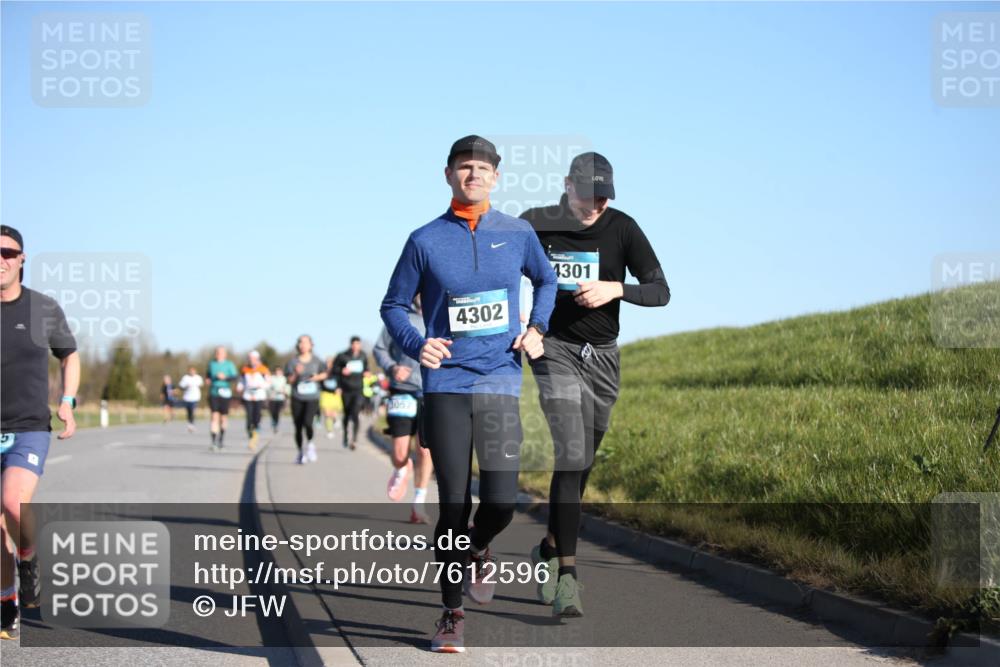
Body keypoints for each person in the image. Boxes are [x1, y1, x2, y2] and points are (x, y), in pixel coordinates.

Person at [380, 135, 556, 653]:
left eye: (482, 168)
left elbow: (546, 282)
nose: (473, 174)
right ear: (448, 175)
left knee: (500, 501)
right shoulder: (424, 239)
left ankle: (479, 547)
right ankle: (451, 613)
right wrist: (418, 344)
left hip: (499, 378)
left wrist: (537, 328)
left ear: (496, 177)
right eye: (464, 167)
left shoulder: (518, 233)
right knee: (453, 503)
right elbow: (392, 305)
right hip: (447, 384)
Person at [521, 152, 670, 617]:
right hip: (554, 350)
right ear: (568, 185)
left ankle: (549, 545)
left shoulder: (623, 228)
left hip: (603, 357)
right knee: (571, 452)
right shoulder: (536, 223)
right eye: (590, 195)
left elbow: (661, 290)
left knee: (581, 464)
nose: (598, 204)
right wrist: (525, 322)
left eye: (605, 196)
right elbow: (499, 270)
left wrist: (616, 289)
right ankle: (568, 577)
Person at [0, 225, 80, 641]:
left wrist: (67, 401)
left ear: (22, 259)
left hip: (28, 426)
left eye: (7, 252)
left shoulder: (42, 309)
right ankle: (6, 600)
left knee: (13, 503)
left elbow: (69, 356)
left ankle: (28, 558)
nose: (1, 259)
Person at [373, 295, 432, 524]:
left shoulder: (443, 316)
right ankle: (402, 467)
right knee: (399, 454)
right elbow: (379, 349)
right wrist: (392, 367)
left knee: (425, 450)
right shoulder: (401, 318)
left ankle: (419, 504)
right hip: (402, 390)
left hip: (431, 390)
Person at [285, 335, 328, 464]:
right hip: (297, 397)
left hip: (312, 397)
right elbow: (289, 380)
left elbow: (325, 373)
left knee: (308, 423)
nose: (303, 345)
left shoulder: (317, 361)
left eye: (306, 342)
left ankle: (310, 444)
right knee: (298, 426)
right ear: (298, 345)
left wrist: (317, 377)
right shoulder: (292, 362)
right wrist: (296, 373)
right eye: (301, 343)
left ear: (311, 345)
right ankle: (300, 453)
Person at [332, 336, 368, 450]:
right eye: (354, 344)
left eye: (358, 344)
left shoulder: (363, 355)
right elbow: (334, 370)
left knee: (355, 413)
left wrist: (367, 372)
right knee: (347, 414)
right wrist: (341, 371)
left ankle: (354, 439)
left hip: (358, 389)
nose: (356, 346)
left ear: (360, 345)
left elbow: (366, 368)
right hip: (346, 389)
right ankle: (345, 436)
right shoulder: (342, 356)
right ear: (351, 344)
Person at [206, 346, 238, 452]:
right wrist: (208, 380)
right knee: (214, 416)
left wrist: (225, 377)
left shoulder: (229, 364)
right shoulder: (211, 364)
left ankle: (221, 440)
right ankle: (213, 442)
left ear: (225, 354)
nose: (218, 354)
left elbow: (235, 377)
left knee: (223, 418)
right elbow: (208, 375)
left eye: (220, 352)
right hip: (214, 392)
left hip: (225, 392)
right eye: (217, 352)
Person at [238, 350, 270, 451]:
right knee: (249, 418)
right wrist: (239, 387)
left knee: (256, 417)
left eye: (253, 359)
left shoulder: (263, 369)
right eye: (250, 358)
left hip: (259, 396)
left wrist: (261, 385)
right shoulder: (245, 369)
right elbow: (241, 381)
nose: (251, 360)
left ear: (257, 359)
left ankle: (255, 437)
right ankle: (250, 434)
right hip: (248, 395)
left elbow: (268, 383)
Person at [319, 357, 343, 440]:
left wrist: (340, 388)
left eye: (331, 362)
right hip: (325, 394)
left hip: (335, 395)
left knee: (333, 413)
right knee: (326, 413)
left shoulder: (338, 372)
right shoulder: (322, 372)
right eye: (328, 362)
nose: (329, 364)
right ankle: (329, 431)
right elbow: (319, 381)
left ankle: (335, 419)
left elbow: (342, 381)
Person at [178, 366, 204, 433]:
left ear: (195, 371)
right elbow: (181, 386)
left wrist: (198, 385)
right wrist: (186, 386)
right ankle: (190, 424)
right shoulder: (185, 378)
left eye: (193, 371)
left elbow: (201, 384)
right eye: (191, 371)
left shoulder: (198, 378)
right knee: (189, 412)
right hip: (187, 398)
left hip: (195, 397)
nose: (192, 372)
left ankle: (192, 424)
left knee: (192, 410)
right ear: (189, 371)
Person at [267, 366, 288, 433]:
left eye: (279, 371)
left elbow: (285, 387)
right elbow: (268, 387)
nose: (277, 372)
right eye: (276, 371)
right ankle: (273, 421)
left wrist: (284, 392)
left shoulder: (283, 378)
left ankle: (276, 424)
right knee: (272, 411)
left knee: (278, 412)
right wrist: (269, 394)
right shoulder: (271, 378)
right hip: (273, 397)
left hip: (280, 398)